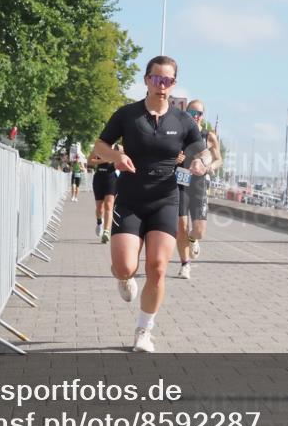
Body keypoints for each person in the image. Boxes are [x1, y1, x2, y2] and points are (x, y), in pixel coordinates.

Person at [91, 56, 211, 352]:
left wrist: (202, 163)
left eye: (168, 80)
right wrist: (117, 156)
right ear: (146, 80)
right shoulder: (127, 115)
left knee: (157, 268)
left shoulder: (182, 120)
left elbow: (203, 151)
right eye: (157, 79)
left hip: (165, 200)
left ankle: (144, 332)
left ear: (174, 84)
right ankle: (124, 277)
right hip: (130, 199)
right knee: (124, 267)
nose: (162, 85)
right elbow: (99, 146)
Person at [175, 100, 222, 279]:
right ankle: (185, 264)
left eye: (199, 114)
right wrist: (175, 159)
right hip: (180, 182)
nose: (195, 117)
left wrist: (209, 167)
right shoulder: (178, 133)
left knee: (199, 230)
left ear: (203, 116)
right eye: (192, 113)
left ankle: (193, 239)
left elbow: (218, 159)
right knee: (181, 226)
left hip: (199, 184)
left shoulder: (208, 136)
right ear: (186, 113)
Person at [89, 144, 119, 243]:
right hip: (99, 178)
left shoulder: (117, 148)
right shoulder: (99, 148)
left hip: (111, 178)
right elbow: (90, 161)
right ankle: (99, 222)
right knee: (99, 208)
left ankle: (106, 232)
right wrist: (104, 160)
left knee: (109, 205)